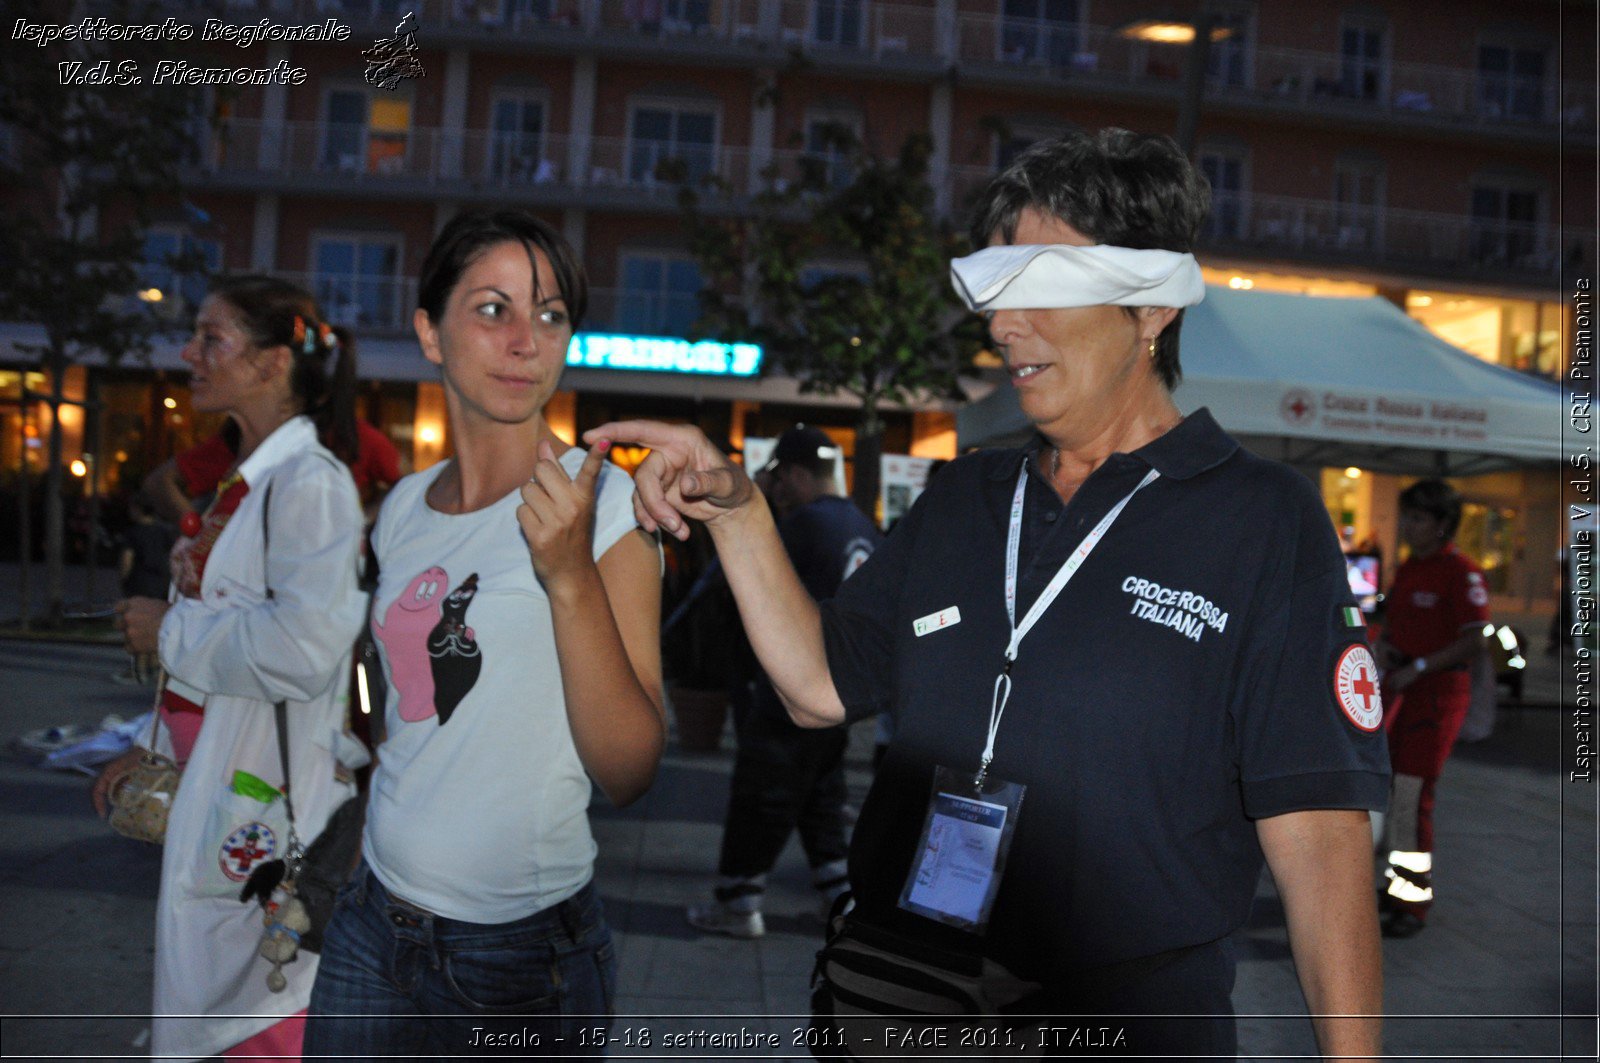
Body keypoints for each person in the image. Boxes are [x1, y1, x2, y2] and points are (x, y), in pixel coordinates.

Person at [589, 129, 1388, 1058]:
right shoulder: (968, 494)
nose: (1006, 324)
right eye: (997, 290)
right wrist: (735, 509)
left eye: (1044, 285)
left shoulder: (1263, 520)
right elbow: (818, 686)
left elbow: (1323, 838)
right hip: (905, 1004)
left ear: (1153, 305)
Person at [303, 209, 664, 1057]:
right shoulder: (402, 506)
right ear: (429, 332)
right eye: (492, 309)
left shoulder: (603, 506)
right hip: (371, 918)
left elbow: (631, 770)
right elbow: (399, 707)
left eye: (550, 314)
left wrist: (568, 572)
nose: (525, 341)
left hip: (517, 953)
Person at [90, 275, 368, 1061]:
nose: (189, 350)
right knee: (222, 1007)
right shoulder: (254, 484)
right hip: (227, 791)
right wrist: (157, 751)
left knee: (253, 1016)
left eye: (213, 337)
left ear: (274, 362)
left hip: (266, 805)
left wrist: (172, 625)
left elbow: (306, 648)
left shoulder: (310, 486)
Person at [687, 424, 879, 938]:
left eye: (779, 477)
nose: (776, 488)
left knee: (762, 794)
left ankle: (738, 901)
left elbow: (755, 599)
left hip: (788, 689)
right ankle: (837, 899)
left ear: (797, 475)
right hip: (839, 693)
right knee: (819, 794)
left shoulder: (801, 527)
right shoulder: (861, 524)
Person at [1373, 478, 1489, 938]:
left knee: (1411, 794)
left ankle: (1412, 903)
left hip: (1436, 696)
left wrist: (1418, 666)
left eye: (1418, 518)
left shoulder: (1461, 572)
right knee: (1399, 791)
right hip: (1405, 690)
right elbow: (1397, 624)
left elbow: (1475, 641)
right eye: (1407, 515)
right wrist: (1386, 652)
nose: (1407, 525)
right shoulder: (1411, 567)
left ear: (1442, 525)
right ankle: (1398, 885)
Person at [144, 414, 401, 525]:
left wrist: (363, 518)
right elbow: (160, 482)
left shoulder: (355, 437)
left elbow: (408, 482)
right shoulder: (242, 439)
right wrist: (200, 534)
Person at [110, 492, 178, 685]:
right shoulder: (165, 531)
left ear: (138, 509)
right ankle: (156, 667)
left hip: (140, 582)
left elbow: (126, 560)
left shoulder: (133, 533)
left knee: (138, 625)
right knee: (157, 626)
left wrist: (123, 579)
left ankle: (138, 669)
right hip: (162, 583)